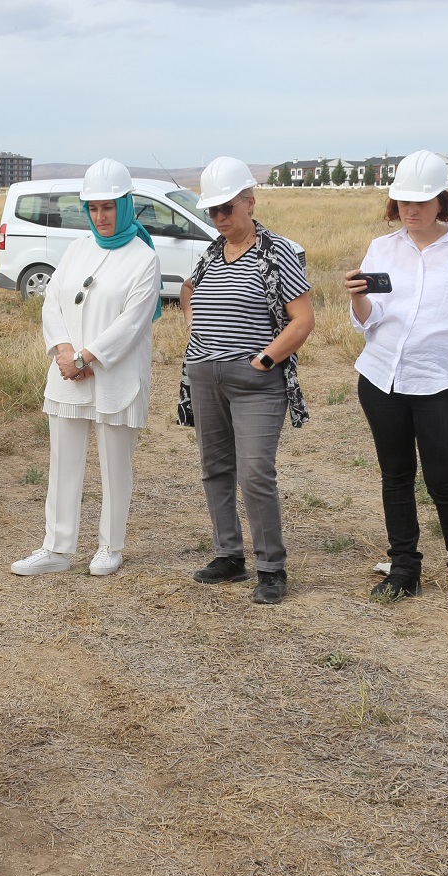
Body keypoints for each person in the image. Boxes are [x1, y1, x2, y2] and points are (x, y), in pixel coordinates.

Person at [346, 150, 448, 619]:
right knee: (395, 476)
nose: (412, 210)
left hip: (442, 383)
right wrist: (358, 301)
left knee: (445, 481)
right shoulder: (382, 248)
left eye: (423, 201)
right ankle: (404, 570)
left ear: (442, 201)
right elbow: (369, 322)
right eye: (403, 201)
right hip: (381, 376)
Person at [11, 159, 161, 578]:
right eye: (93, 208)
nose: (101, 217)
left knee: (116, 464)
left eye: (109, 207)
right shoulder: (77, 248)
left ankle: (110, 545)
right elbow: (53, 301)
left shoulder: (143, 258)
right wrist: (64, 351)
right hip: (67, 374)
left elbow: (132, 322)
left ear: (126, 205)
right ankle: (56, 548)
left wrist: (86, 357)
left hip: (114, 375)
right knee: (63, 461)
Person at [178, 156, 314, 604]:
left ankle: (271, 567)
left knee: (255, 473)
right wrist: (199, 335)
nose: (218, 218)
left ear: (250, 203)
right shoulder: (212, 253)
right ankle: (228, 556)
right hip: (205, 376)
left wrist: (266, 360)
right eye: (212, 212)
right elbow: (187, 290)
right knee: (215, 469)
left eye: (226, 209)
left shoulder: (278, 252)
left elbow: (302, 319)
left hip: (256, 381)